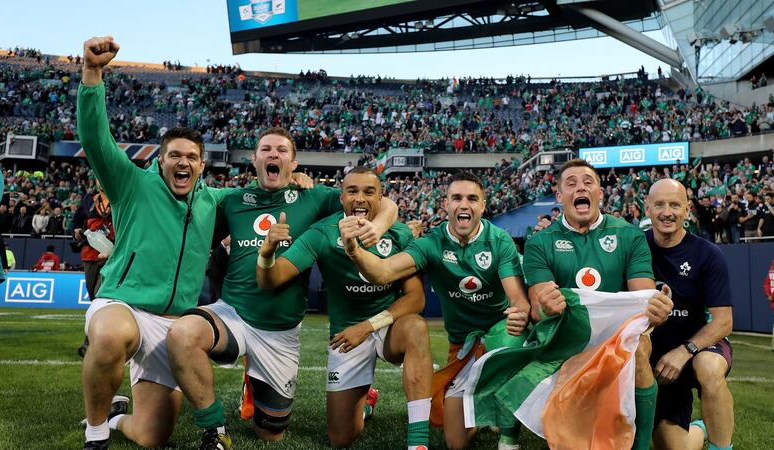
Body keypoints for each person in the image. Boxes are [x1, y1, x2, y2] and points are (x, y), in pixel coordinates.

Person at [165, 128, 398, 446]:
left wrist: (376, 227)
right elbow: (191, 229)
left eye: (281, 150)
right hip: (233, 313)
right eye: (266, 149)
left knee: (271, 434)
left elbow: (385, 204)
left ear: (294, 163)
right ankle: (214, 429)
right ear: (254, 159)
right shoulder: (232, 201)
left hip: (280, 332)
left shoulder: (314, 198)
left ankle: (258, 386)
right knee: (182, 334)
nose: (273, 154)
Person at [77, 36, 230, 450]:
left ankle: (116, 416)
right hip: (123, 304)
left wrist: (300, 182)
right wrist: (92, 73)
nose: (183, 162)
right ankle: (94, 435)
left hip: (175, 324)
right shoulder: (132, 184)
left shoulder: (215, 201)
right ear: (160, 160)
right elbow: (95, 139)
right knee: (108, 338)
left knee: (152, 437)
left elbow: (262, 199)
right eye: (174, 155)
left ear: (202, 165)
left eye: (191, 157)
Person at [340, 171, 530, 450]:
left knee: (505, 337)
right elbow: (382, 272)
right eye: (456, 198)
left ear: (482, 205)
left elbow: (517, 299)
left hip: (498, 338)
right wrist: (354, 251)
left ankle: (509, 437)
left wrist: (519, 313)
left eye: (471, 198)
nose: (463, 204)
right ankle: (484, 403)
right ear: (446, 205)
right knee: (455, 442)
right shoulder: (431, 244)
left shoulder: (499, 240)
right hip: (462, 346)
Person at [257, 167, 432, 449]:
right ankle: (365, 405)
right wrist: (266, 255)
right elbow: (272, 279)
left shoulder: (399, 234)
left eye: (368, 192)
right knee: (341, 438)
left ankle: (418, 442)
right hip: (345, 334)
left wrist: (367, 327)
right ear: (341, 198)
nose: (360, 198)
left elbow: (416, 299)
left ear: (381, 198)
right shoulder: (322, 232)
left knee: (416, 327)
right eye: (352, 191)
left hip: (387, 327)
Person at [524, 159, 673, 450]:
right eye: (571, 183)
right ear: (559, 196)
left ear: (601, 193)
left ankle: (640, 446)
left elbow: (643, 301)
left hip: (617, 340)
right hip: (566, 340)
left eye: (588, 182)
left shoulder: (629, 236)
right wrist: (547, 307)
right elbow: (538, 310)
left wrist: (656, 311)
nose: (581, 187)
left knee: (641, 347)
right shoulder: (539, 243)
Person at [644, 179, 735, 450]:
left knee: (707, 368)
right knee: (672, 447)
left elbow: (724, 321)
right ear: (647, 208)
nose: (666, 212)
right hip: (654, 356)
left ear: (687, 209)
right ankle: (699, 429)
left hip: (698, 346)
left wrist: (684, 351)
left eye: (674, 204)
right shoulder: (635, 248)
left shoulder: (708, 254)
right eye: (659, 204)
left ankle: (722, 447)